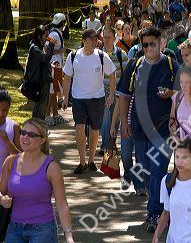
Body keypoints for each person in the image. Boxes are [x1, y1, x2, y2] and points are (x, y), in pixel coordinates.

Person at [116, 27, 180, 232]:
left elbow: (185, 90)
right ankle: (161, 205)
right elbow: (124, 95)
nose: (150, 48)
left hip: (164, 131)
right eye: (145, 45)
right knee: (143, 171)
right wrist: (124, 124)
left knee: (158, 171)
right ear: (141, 45)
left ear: (160, 42)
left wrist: (172, 92)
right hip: (139, 129)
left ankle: (155, 212)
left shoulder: (170, 64)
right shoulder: (134, 65)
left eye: (153, 43)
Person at [0, 118, 74, 243]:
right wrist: (2, 199)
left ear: (43, 140)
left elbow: (62, 204)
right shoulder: (10, 162)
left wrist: (68, 235)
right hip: (14, 228)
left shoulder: (51, 167)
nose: (25, 137)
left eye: (31, 135)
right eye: (23, 133)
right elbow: (1, 191)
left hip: (43, 229)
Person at [62, 29, 117, 174]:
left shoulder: (101, 55)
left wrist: (111, 95)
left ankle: (91, 161)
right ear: (84, 39)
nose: (96, 42)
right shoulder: (73, 56)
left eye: (96, 39)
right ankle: (82, 161)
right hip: (78, 98)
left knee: (94, 129)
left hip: (96, 98)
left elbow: (112, 75)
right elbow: (67, 77)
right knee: (79, 127)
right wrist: (65, 97)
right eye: (93, 39)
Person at [99, 27, 129, 156]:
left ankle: (111, 141)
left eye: (109, 37)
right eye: (104, 37)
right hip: (103, 91)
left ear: (114, 38)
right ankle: (106, 145)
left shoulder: (121, 55)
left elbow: (127, 73)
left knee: (115, 119)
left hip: (118, 92)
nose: (106, 40)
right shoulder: (98, 54)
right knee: (105, 118)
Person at [26, 26, 54, 120]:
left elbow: (43, 62)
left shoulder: (39, 46)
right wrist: (51, 47)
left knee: (42, 106)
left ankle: (38, 128)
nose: (48, 37)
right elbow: (45, 58)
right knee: (40, 107)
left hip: (43, 80)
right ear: (39, 36)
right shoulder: (35, 48)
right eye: (46, 35)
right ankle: (36, 129)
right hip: (39, 82)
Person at [45, 13, 68, 126]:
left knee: (54, 90)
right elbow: (47, 47)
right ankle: (47, 115)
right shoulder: (54, 34)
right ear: (63, 23)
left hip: (56, 65)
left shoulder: (56, 33)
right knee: (51, 90)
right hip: (53, 64)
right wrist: (60, 51)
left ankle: (55, 114)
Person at [0, 86, 21, 167]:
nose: (1, 114)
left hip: (6, 178)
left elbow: (23, 158)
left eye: (5, 110)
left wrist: (8, 142)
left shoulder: (14, 127)